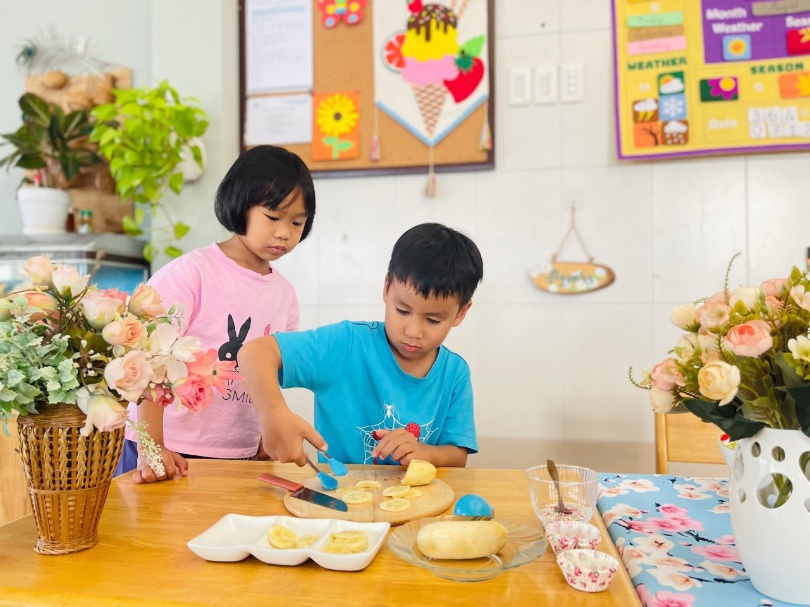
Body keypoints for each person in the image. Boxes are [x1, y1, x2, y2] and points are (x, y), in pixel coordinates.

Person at [119, 145, 316, 483]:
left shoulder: (286, 295)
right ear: (239, 204)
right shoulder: (192, 273)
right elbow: (146, 359)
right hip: (166, 449)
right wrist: (153, 447)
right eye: (273, 217)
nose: (284, 232)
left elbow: (268, 375)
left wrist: (265, 434)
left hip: (238, 456)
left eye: (296, 222)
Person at [238, 222, 484, 468]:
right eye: (402, 310)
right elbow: (254, 352)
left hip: (420, 502)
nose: (413, 331)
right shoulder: (347, 344)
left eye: (432, 320)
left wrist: (424, 453)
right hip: (342, 498)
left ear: (461, 313)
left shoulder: (455, 372)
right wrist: (272, 413)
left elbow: (457, 456)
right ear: (387, 288)